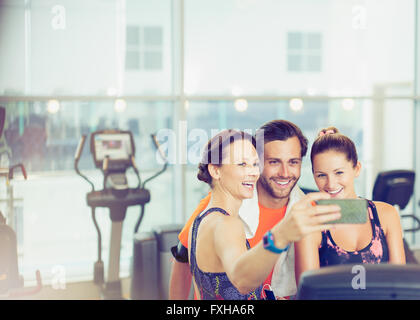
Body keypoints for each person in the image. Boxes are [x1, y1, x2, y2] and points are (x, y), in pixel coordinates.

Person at [169, 120, 341, 299]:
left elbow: (360, 217)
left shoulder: (306, 210)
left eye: (293, 162)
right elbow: (184, 261)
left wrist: (335, 152)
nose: (284, 172)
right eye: (273, 162)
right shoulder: (217, 211)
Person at [294, 127, 406, 285]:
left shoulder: (387, 214)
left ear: (357, 169)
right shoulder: (310, 224)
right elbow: (307, 293)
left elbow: (399, 284)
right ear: (313, 175)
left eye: (339, 172)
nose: (331, 184)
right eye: (321, 175)